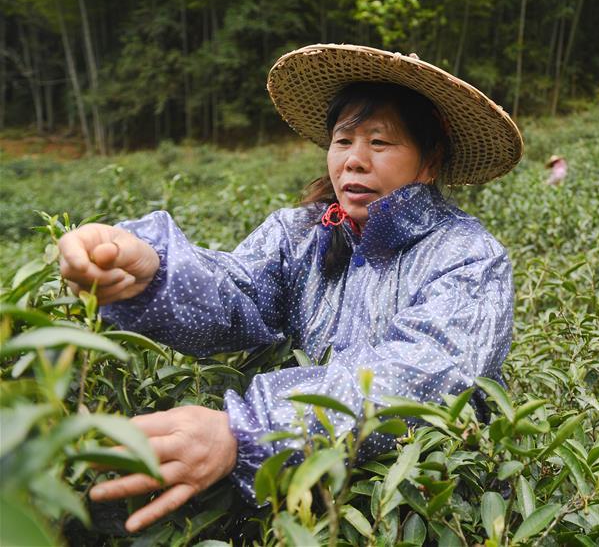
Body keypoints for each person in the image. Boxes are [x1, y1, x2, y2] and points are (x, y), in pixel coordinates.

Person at [58, 44, 523, 533]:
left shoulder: (468, 254)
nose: (354, 162)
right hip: (308, 492)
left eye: (380, 144)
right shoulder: (301, 233)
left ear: (429, 162)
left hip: (426, 505)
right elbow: (235, 296)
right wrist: (152, 269)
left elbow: (425, 375)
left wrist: (251, 431)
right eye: (343, 141)